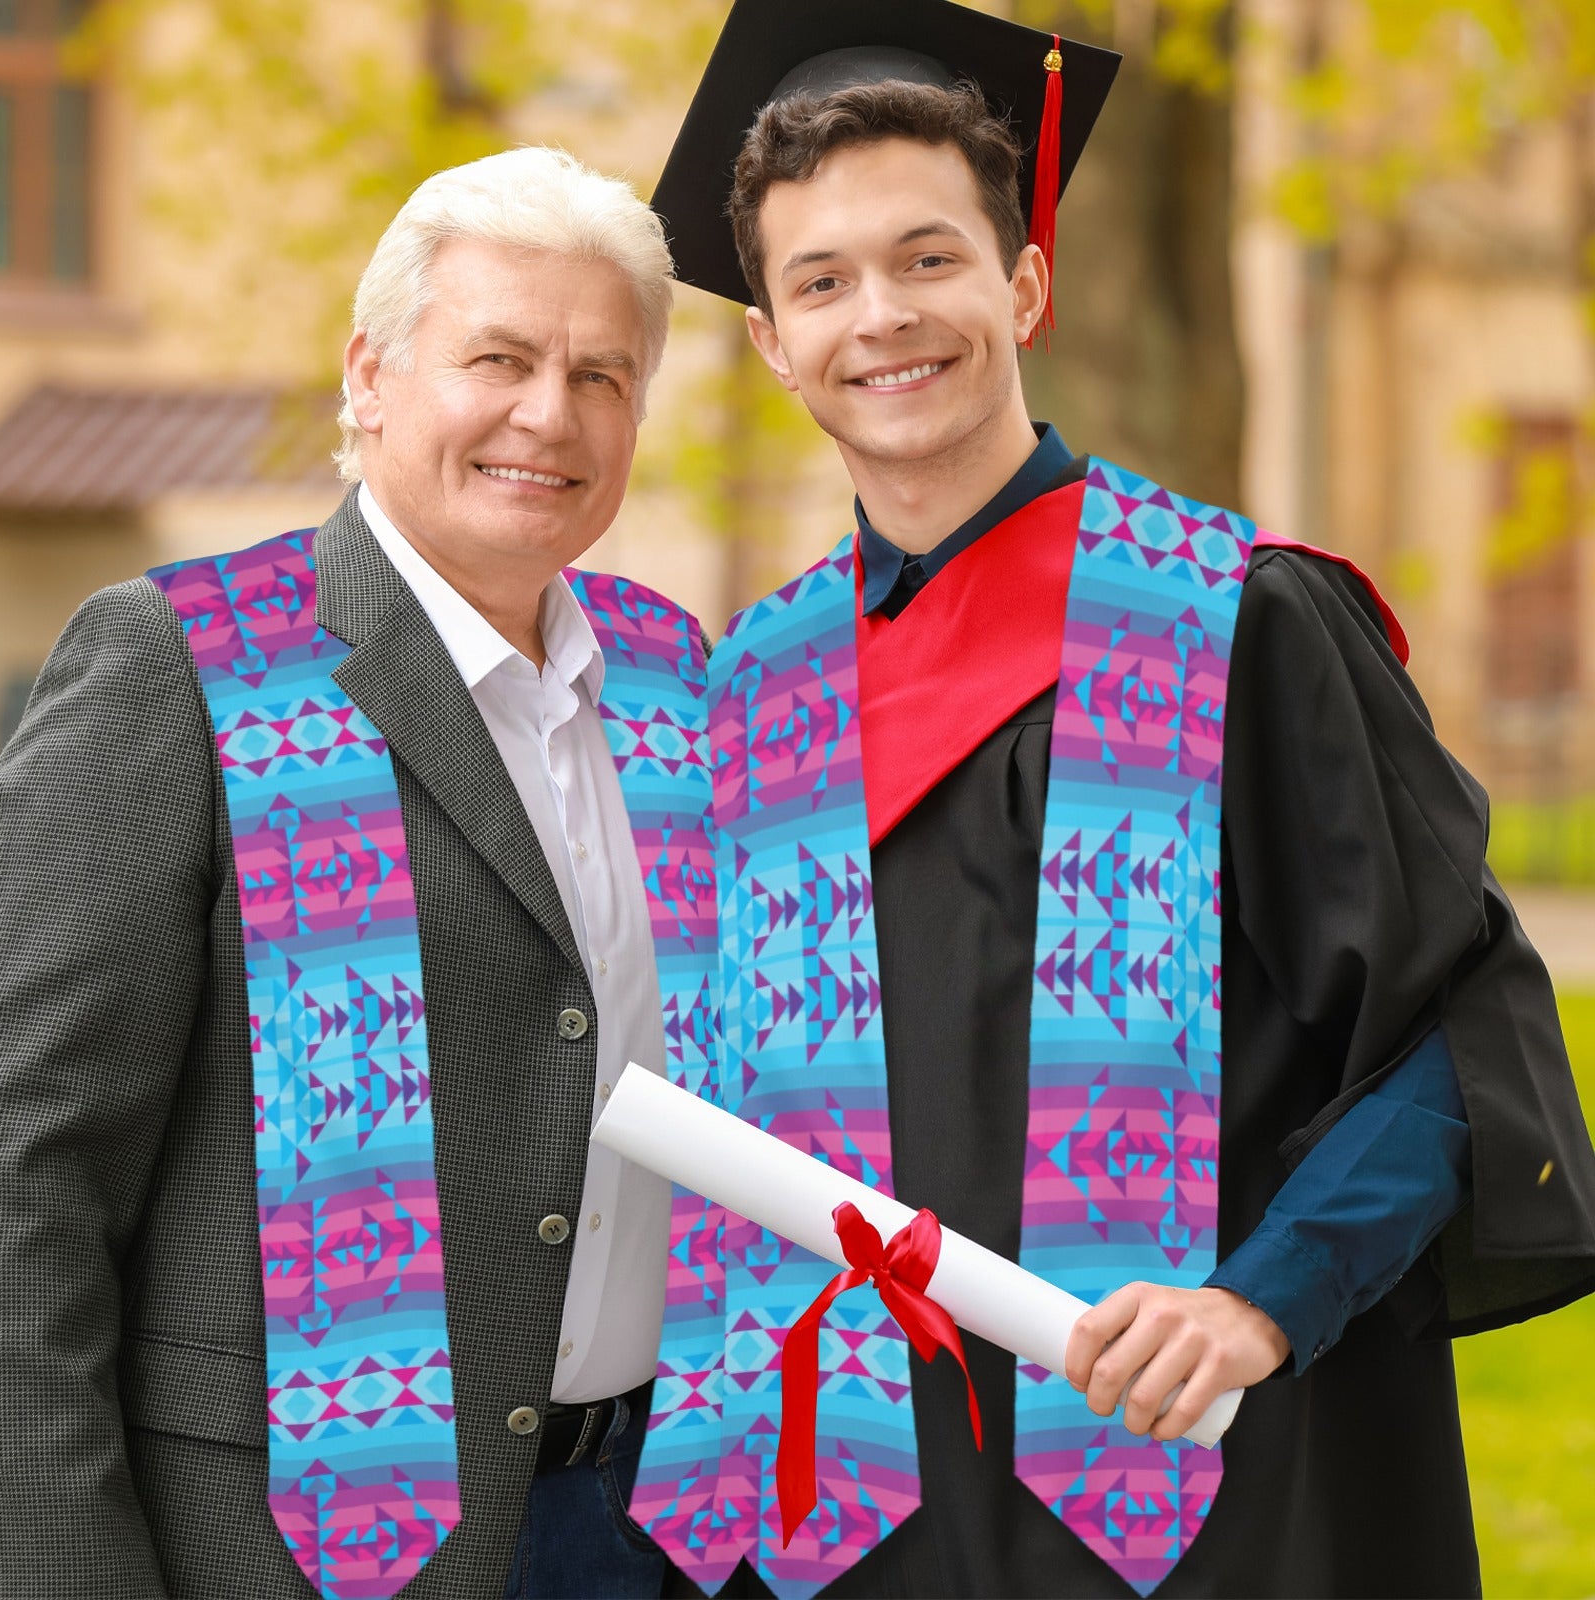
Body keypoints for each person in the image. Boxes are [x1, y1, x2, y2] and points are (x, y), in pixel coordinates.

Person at [626, 3, 1595, 1596]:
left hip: (1203, 1490)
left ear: (1024, 282)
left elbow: (1455, 1034)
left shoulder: (1237, 621)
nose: (883, 316)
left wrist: (1264, 1299)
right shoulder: (754, 695)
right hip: (859, 1521)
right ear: (772, 342)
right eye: (823, 281)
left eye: (930, 259)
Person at [0, 146, 714, 1600]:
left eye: (601, 375)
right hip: (295, 1550)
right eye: (498, 357)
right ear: (370, 377)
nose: (547, 414)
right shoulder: (186, 664)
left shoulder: (673, 676)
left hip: (653, 1529)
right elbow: (25, 1172)